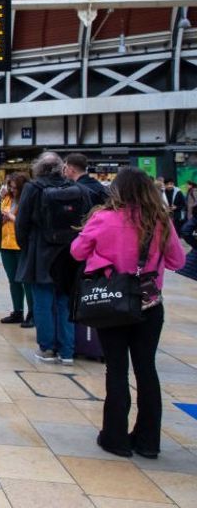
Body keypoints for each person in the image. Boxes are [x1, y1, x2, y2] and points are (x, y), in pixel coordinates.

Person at [70, 167, 185, 459]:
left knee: (117, 369)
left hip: (113, 304)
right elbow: (177, 260)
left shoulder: (103, 218)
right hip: (150, 304)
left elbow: (77, 252)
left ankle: (116, 437)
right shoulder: (160, 221)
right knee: (147, 369)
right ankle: (148, 441)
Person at [16, 152, 90, 365]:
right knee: (65, 301)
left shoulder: (33, 188)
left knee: (42, 301)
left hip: (41, 252)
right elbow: (87, 221)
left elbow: (22, 224)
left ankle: (47, 348)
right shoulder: (77, 190)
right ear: (61, 167)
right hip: (69, 254)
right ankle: (67, 350)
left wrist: (26, 247)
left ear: (38, 168)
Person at [0, 173, 34, 326]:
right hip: (6, 245)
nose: (13, 190)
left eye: (15, 188)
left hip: (22, 245)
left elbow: (30, 222)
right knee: (13, 281)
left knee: (26, 281)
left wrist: (12, 218)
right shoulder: (6, 199)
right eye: (10, 187)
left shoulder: (28, 201)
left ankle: (32, 314)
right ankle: (17, 311)